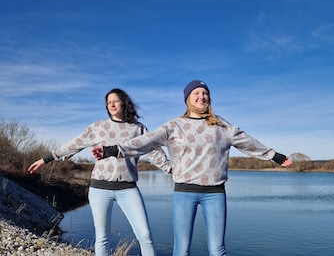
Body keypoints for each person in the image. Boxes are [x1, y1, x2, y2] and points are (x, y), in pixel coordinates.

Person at [92, 80, 293, 256]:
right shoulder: (174, 125)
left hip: (215, 193)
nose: (201, 96)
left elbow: (248, 143)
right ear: (188, 98)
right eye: (196, 93)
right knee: (181, 249)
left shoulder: (222, 126)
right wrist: (112, 150)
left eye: (205, 93)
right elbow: (145, 141)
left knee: (217, 249)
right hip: (184, 193)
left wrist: (275, 156)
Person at [28, 88, 171, 256]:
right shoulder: (98, 127)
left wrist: (172, 170)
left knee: (145, 235)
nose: (111, 104)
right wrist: (46, 159)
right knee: (102, 237)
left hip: (128, 188)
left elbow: (153, 150)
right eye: (108, 102)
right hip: (99, 189)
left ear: (124, 103)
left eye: (115, 100)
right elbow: (74, 144)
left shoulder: (137, 129)